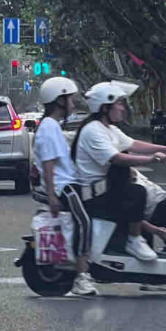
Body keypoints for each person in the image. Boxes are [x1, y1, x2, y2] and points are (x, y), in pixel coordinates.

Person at [70, 82, 166, 263]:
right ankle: (133, 239)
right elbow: (116, 158)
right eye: (119, 103)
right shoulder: (93, 130)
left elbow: (134, 144)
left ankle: (151, 258)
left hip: (107, 190)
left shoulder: (109, 129)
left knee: (152, 202)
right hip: (94, 198)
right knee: (136, 193)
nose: (122, 108)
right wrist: (151, 159)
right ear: (105, 107)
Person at [32, 76, 97, 298]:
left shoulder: (53, 125)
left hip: (69, 183)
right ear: (59, 100)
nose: (72, 103)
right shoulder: (49, 127)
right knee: (84, 222)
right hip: (64, 187)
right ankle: (81, 277)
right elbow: (48, 163)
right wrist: (52, 195)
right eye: (69, 99)